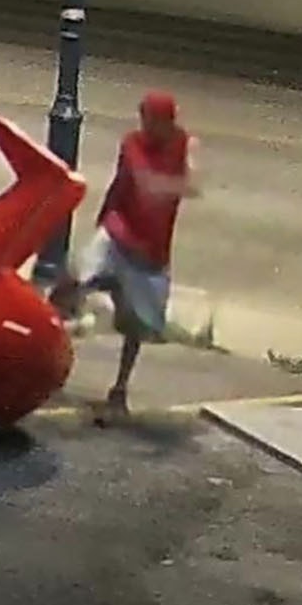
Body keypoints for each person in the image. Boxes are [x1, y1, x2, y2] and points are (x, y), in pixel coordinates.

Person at [52, 90, 200, 420]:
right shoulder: (133, 142)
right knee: (73, 277)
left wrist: (173, 182)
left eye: (156, 120)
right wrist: (106, 215)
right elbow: (139, 183)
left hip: (151, 251)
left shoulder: (183, 144)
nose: (149, 126)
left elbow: (191, 181)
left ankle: (119, 390)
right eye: (147, 119)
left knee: (137, 327)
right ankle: (44, 353)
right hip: (119, 233)